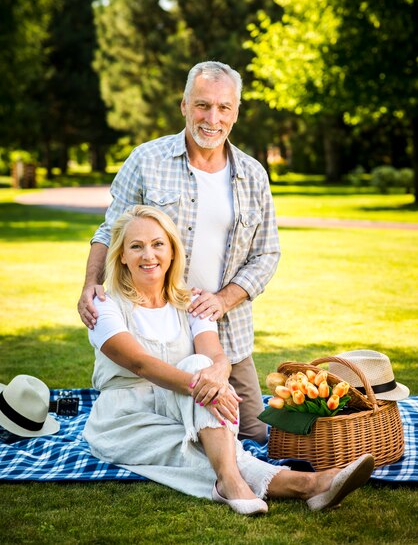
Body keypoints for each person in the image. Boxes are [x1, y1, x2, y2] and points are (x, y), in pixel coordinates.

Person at [83, 204, 375, 515]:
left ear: (171, 251)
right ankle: (305, 485)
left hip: (184, 408)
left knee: (201, 367)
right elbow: (140, 364)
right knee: (199, 450)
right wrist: (206, 385)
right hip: (126, 418)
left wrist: (218, 374)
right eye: (136, 246)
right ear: (122, 255)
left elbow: (214, 356)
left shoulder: (192, 301)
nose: (148, 255)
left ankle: (235, 483)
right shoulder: (104, 305)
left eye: (158, 244)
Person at [78, 60, 281, 444]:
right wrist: (91, 282)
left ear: (236, 112)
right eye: (202, 105)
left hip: (224, 334)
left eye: (224, 107)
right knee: (164, 429)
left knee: (257, 433)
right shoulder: (146, 160)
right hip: (154, 332)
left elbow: (267, 254)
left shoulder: (253, 174)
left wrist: (222, 300)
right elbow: (110, 229)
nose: (212, 118)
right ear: (184, 105)